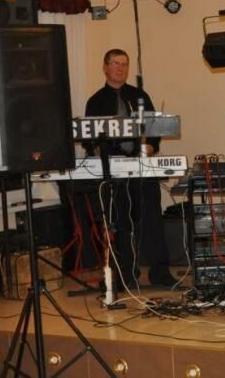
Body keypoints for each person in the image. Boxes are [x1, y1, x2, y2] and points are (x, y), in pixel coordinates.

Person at [84, 48, 177, 289]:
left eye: (124, 64)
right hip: (113, 173)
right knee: (120, 223)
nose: (120, 68)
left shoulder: (139, 96)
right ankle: (126, 275)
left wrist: (151, 147)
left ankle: (160, 272)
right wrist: (98, 151)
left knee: (152, 219)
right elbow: (89, 138)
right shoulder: (95, 101)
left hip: (141, 168)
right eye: (115, 63)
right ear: (105, 67)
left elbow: (154, 130)